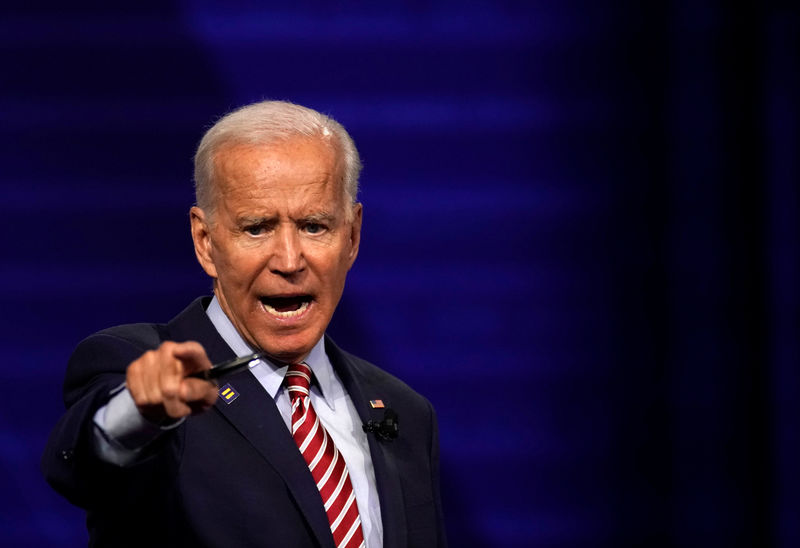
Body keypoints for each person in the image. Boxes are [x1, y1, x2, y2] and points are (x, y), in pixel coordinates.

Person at [42, 100, 446, 548]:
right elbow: (81, 467)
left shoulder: (405, 413)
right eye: (257, 228)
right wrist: (139, 412)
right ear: (205, 241)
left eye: (314, 226)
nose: (290, 261)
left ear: (351, 236)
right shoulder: (139, 367)